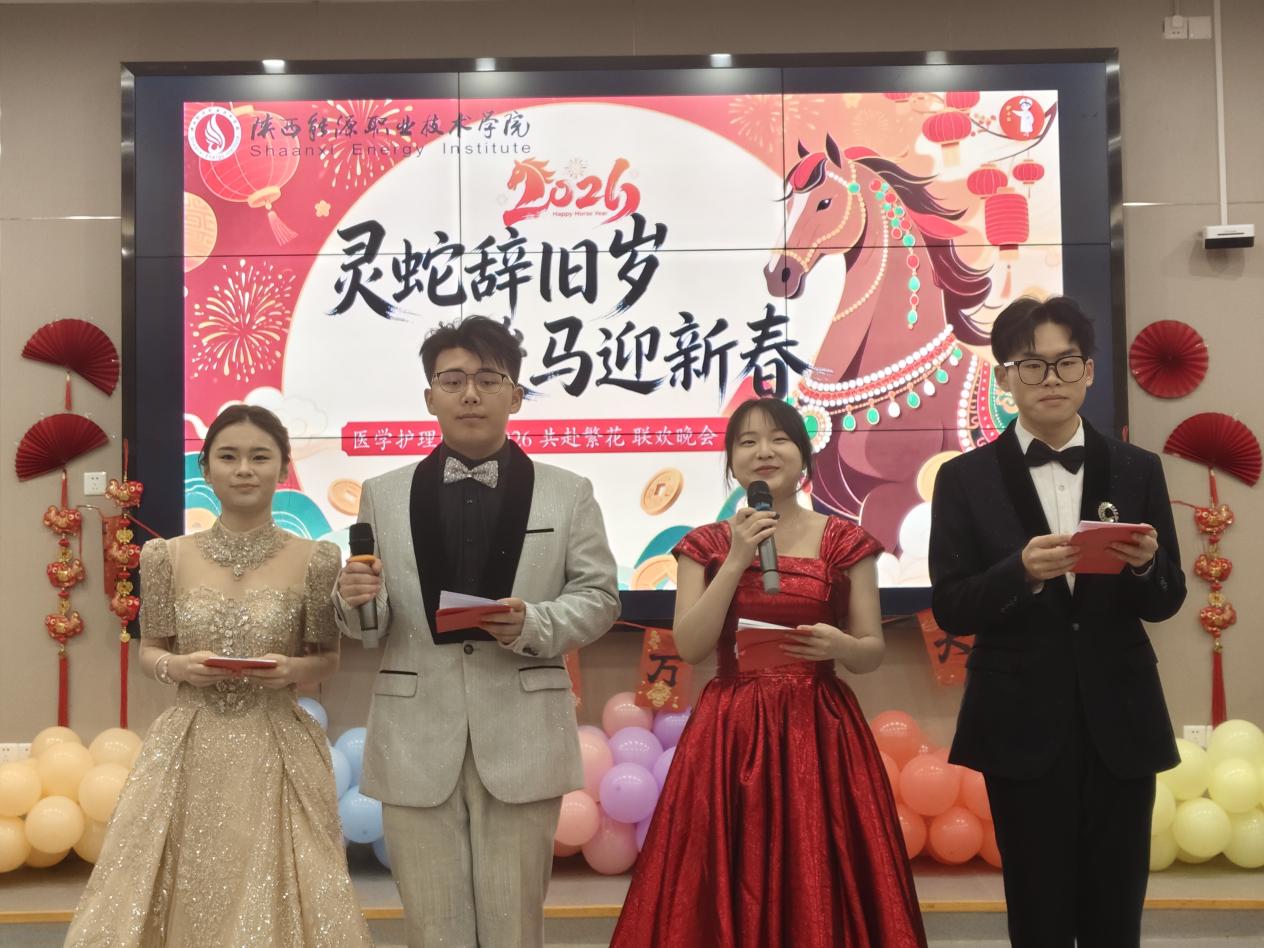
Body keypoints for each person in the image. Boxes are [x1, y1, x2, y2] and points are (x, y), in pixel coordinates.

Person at [334, 315, 620, 948]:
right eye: (453, 380)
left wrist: (534, 622)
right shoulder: (382, 494)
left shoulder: (568, 492)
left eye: (488, 379)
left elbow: (600, 598)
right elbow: (371, 625)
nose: (470, 394)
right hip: (415, 736)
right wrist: (355, 600)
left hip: (523, 733)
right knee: (431, 927)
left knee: (515, 927)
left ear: (514, 396)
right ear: (429, 396)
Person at [611, 396, 927, 948]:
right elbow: (691, 645)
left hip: (820, 727)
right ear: (732, 462)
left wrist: (841, 645)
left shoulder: (844, 541)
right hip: (730, 729)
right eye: (747, 442)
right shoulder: (705, 546)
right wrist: (737, 558)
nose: (764, 452)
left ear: (803, 455)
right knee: (725, 866)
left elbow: (871, 651)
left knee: (819, 863)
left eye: (779, 439)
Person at [928, 296, 1186, 948]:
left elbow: (1167, 599)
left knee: (1116, 914)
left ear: (1089, 371)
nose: (1051, 379)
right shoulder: (963, 479)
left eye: (1066, 363)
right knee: (1037, 913)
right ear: (1004, 376)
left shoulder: (1138, 468)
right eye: (1032, 365)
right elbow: (952, 605)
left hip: (1120, 716)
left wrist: (1144, 566)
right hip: (1018, 720)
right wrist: (1018, 573)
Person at [65, 404, 372, 947]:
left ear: (283, 468)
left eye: (260, 457)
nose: (244, 469)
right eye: (228, 457)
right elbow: (150, 651)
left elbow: (328, 658)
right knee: (182, 880)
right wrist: (178, 666)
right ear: (205, 469)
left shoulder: (318, 558)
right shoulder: (165, 557)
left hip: (276, 742)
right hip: (191, 740)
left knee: (277, 880)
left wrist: (293, 670)